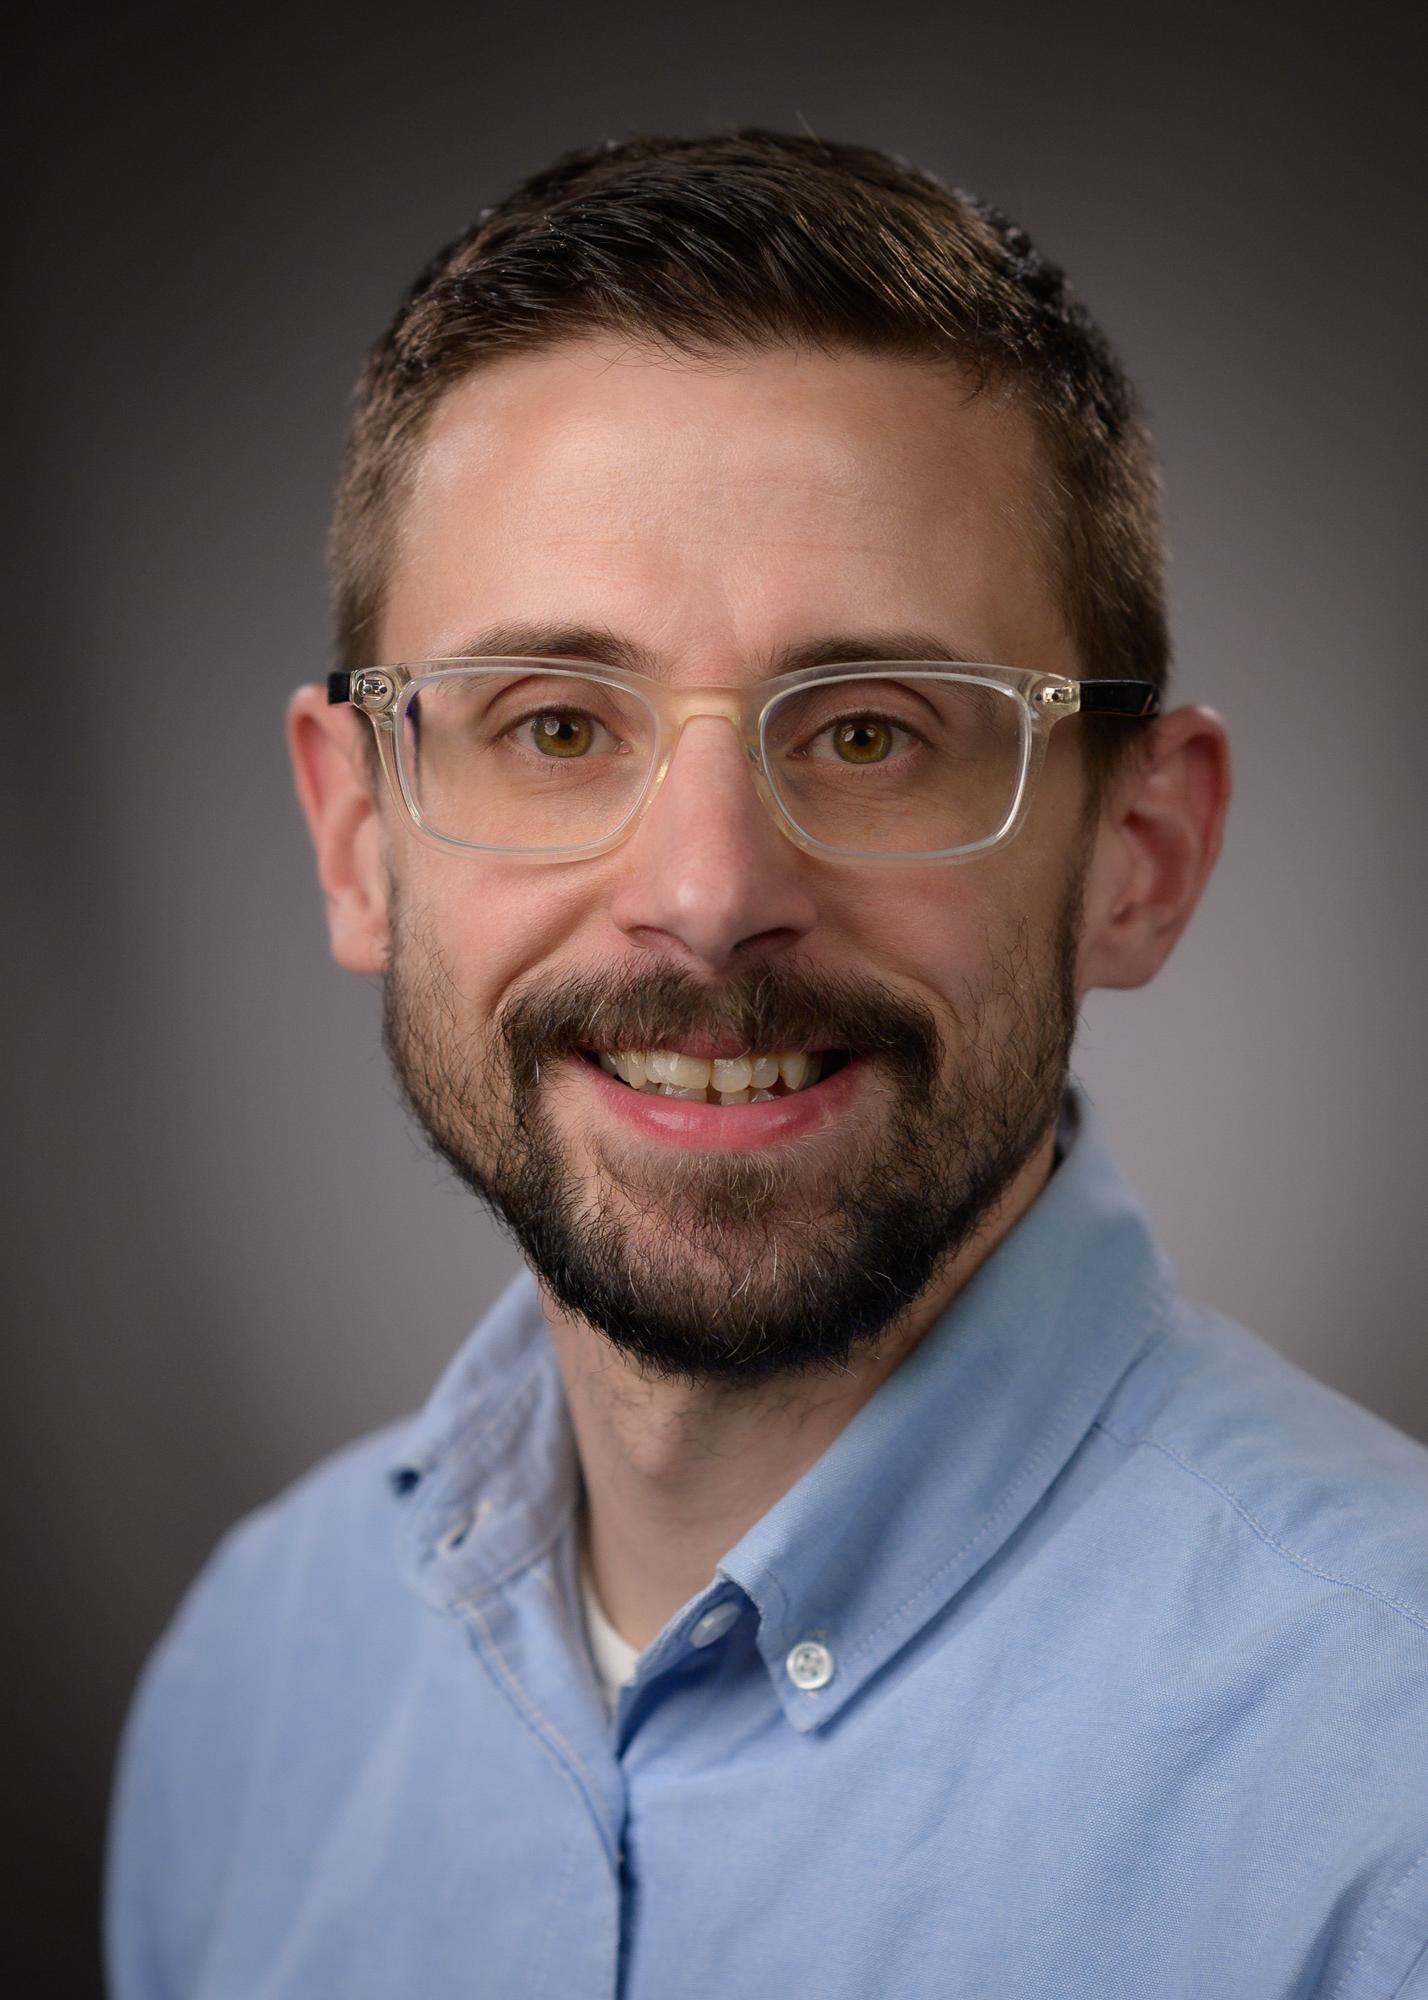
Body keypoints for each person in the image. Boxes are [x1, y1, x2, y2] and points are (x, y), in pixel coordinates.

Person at [105, 130, 1428, 1999]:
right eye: (555, 723)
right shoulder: (249, 1686)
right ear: (356, 838)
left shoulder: (1396, 1789)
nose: (709, 896)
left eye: (877, 735)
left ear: (1141, 857)